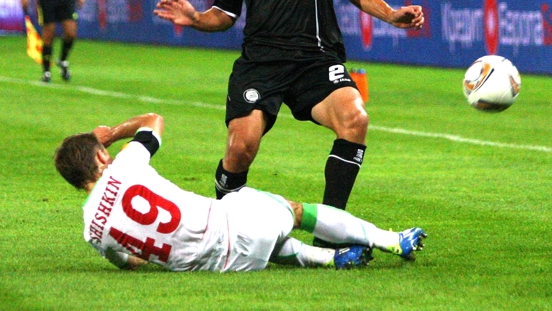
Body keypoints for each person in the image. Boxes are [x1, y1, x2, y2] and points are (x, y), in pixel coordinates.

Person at [153, 0, 425, 245]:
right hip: (262, 64)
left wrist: (391, 14)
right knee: (240, 148)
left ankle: (332, 233)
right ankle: (222, 230)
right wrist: (195, 18)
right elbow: (225, 14)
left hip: (316, 59)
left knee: (355, 119)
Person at [53, 112, 427, 272]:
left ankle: (330, 260)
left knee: (259, 233)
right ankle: (391, 239)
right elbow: (153, 121)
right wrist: (112, 133)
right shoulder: (125, 165)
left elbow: (132, 263)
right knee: (294, 212)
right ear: (102, 156)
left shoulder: (91, 230)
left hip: (219, 267)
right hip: (235, 227)